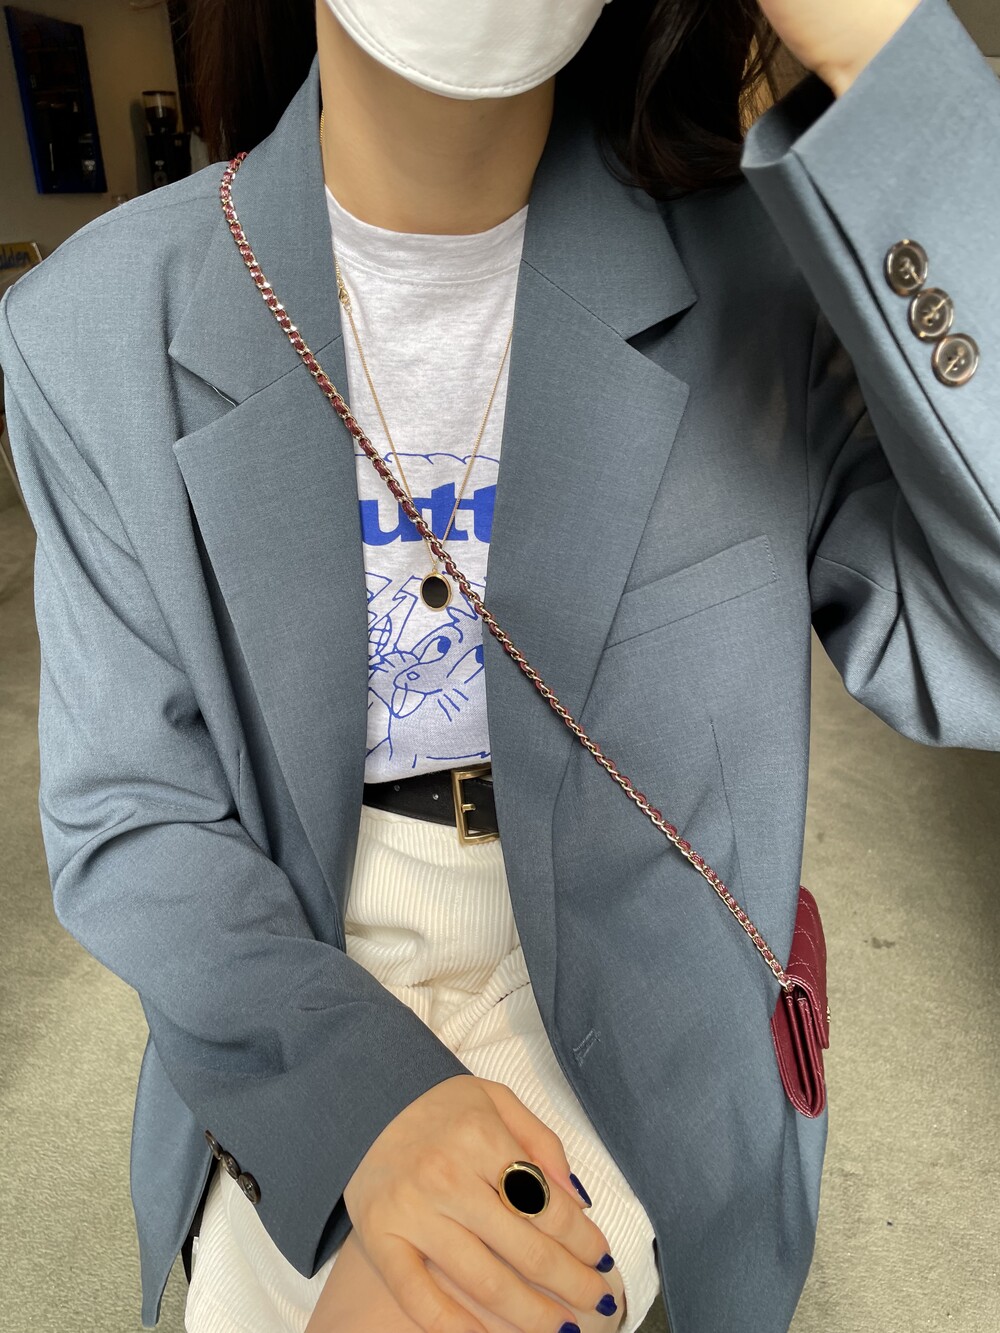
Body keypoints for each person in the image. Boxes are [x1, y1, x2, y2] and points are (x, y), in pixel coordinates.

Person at [1, 0, 998, 1330]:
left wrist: (885, 59)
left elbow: (976, 645)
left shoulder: (764, 275)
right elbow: (130, 811)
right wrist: (361, 1101)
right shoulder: (90, 325)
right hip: (292, 980)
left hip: (633, 1007)